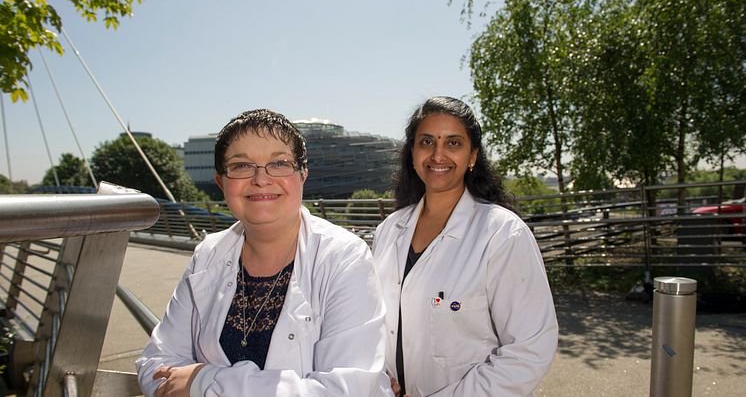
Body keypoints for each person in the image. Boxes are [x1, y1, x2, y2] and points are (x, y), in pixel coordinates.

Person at [137, 109, 393, 397]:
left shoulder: (344, 257)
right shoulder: (207, 254)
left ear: (302, 175)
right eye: (241, 165)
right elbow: (155, 361)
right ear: (221, 182)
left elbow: (348, 391)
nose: (261, 179)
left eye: (279, 163)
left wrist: (203, 382)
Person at [372, 96, 558, 397]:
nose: (438, 154)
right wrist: (379, 379)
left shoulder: (503, 234)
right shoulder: (388, 231)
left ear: (472, 156)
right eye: (427, 141)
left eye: (453, 143)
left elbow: (530, 349)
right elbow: (372, 325)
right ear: (412, 153)